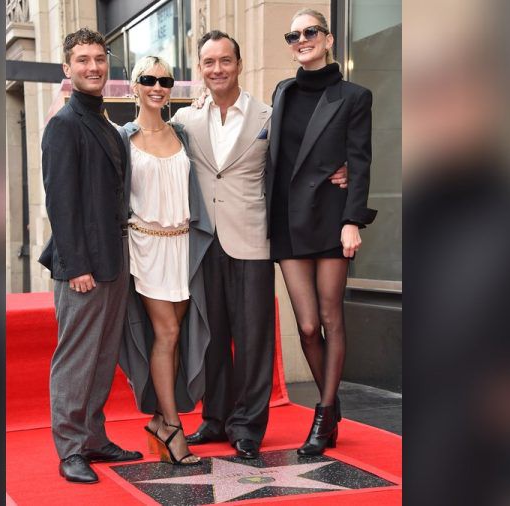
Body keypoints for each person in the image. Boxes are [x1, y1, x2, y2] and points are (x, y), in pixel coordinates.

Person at [174, 31, 349, 460]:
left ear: (239, 63)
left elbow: (306, 150)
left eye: (225, 61)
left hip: (252, 237)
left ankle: (247, 426)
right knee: (211, 335)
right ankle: (214, 418)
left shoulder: (270, 115)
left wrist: (341, 167)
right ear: (201, 69)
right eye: (209, 62)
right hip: (202, 240)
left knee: (253, 338)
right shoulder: (185, 120)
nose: (218, 69)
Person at [266, 9, 377, 456]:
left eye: (310, 32)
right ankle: (331, 410)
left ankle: (324, 410)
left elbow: (361, 160)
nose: (301, 39)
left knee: (331, 317)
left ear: (329, 40)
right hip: (287, 220)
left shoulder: (353, 95)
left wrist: (353, 219)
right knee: (308, 326)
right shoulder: (282, 91)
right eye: (294, 35)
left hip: (331, 218)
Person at [38, 28, 143, 484]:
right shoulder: (64, 125)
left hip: (113, 258)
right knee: (77, 359)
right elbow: (60, 203)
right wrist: (77, 265)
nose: (93, 67)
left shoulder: (104, 122)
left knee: (101, 357)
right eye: (82, 60)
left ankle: (94, 438)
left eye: (99, 59)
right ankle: (71, 449)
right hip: (81, 264)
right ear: (68, 68)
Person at [116, 56, 213, 466]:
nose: (158, 86)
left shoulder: (182, 134)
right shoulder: (122, 137)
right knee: (168, 332)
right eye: (149, 79)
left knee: (174, 338)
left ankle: (161, 419)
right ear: (134, 86)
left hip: (181, 246)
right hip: (146, 247)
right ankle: (172, 426)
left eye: (166, 80)